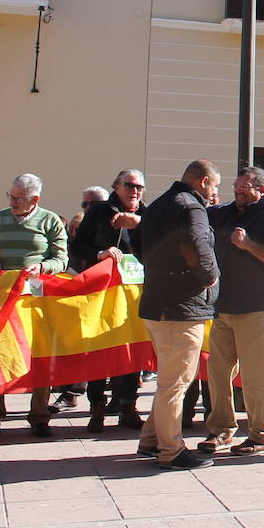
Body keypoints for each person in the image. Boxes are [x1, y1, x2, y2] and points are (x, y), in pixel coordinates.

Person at [200, 167, 264, 456]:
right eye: (236, 186)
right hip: (224, 306)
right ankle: (221, 430)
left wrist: (248, 244)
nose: (238, 191)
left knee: (255, 375)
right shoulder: (224, 213)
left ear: (261, 191)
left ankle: (261, 434)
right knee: (217, 371)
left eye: (245, 187)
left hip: (258, 308)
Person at [136, 159, 221, 469]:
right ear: (204, 181)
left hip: (157, 302)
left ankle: (151, 439)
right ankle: (171, 450)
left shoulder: (159, 204)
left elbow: (138, 245)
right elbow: (198, 246)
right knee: (176, 383)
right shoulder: (191, 208)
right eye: (215, 186)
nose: (215, 193)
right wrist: (209, 275)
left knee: (170, 378)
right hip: (182, 307)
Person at [0, 174, 68, 440]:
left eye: (18, 199)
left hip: (35, 297)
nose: (12, 202)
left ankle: (39, 416)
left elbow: (61, 258)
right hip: (1, 295)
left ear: (34, 200)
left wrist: (42, 267)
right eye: (11, 196)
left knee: (39, 353)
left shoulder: (50, 221)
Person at [70, 168, 147, 433]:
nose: (134, 191)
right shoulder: (100, 211)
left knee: (131, 350)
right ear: (116, 186)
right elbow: (77, 246)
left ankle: (128, 407)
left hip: (134, 294)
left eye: (139, 187)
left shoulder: (146, 213)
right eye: (129, 185)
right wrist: (101, 253)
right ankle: (97, 409)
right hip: (102, 292)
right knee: (100, 349)